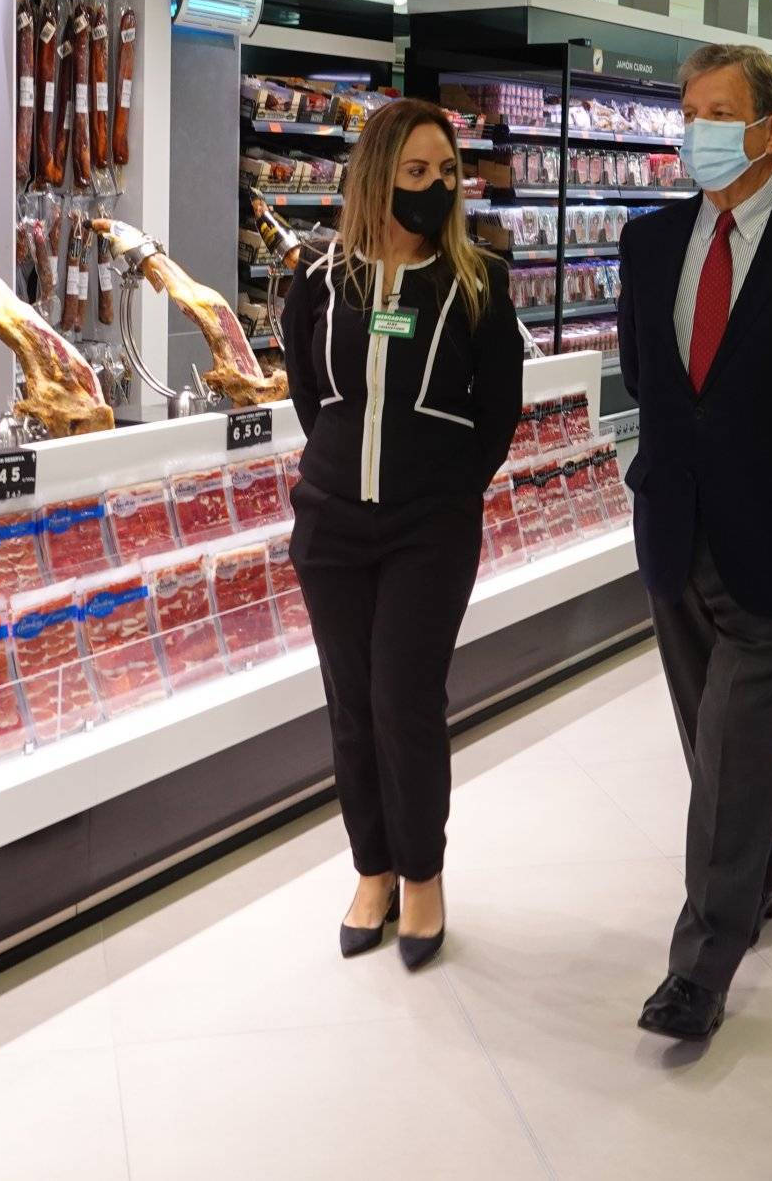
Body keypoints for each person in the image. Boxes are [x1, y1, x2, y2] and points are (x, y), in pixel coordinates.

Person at [618, 42, 772, 1041]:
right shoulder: (649, 243)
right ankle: (759, 867)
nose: (696, 133)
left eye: (717, 114)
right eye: (688, 113)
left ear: (770, 131)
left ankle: (701, 965)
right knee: (711, 749)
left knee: (727, 754)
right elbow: (650, 383)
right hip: (675, 530)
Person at [279, 97, 524, 969]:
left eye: (446, 173)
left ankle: (423, 873)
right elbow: (312, 395)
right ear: (376, 174)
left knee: (404, 700)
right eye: (414, 171)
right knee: (351, 705)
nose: (433, 187)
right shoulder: (317, 278)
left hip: (430, 528)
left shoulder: (480, 283)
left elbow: (497, 415)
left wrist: (443, 491)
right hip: (332, 528)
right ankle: (371, 868)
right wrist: (341, 474)